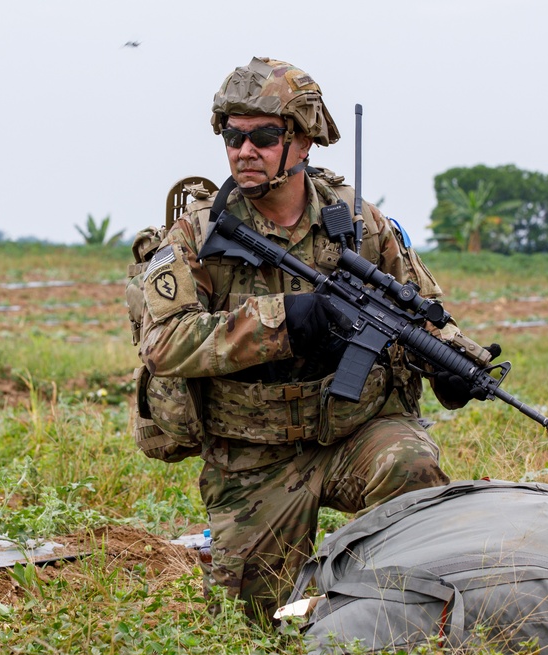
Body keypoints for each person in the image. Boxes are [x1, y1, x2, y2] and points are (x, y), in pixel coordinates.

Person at [137, 57, 481, 623]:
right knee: (257, 622)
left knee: (412, 468)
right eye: (233, 136)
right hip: (254, 451)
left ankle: (398, 607)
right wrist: (285, 321)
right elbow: (164, 343)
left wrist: (454, 359)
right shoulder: (196, 234)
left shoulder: (360, 222)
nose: (244, 150)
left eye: (264, 136)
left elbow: (423, 309)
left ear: (302, 142)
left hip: (356, 432)